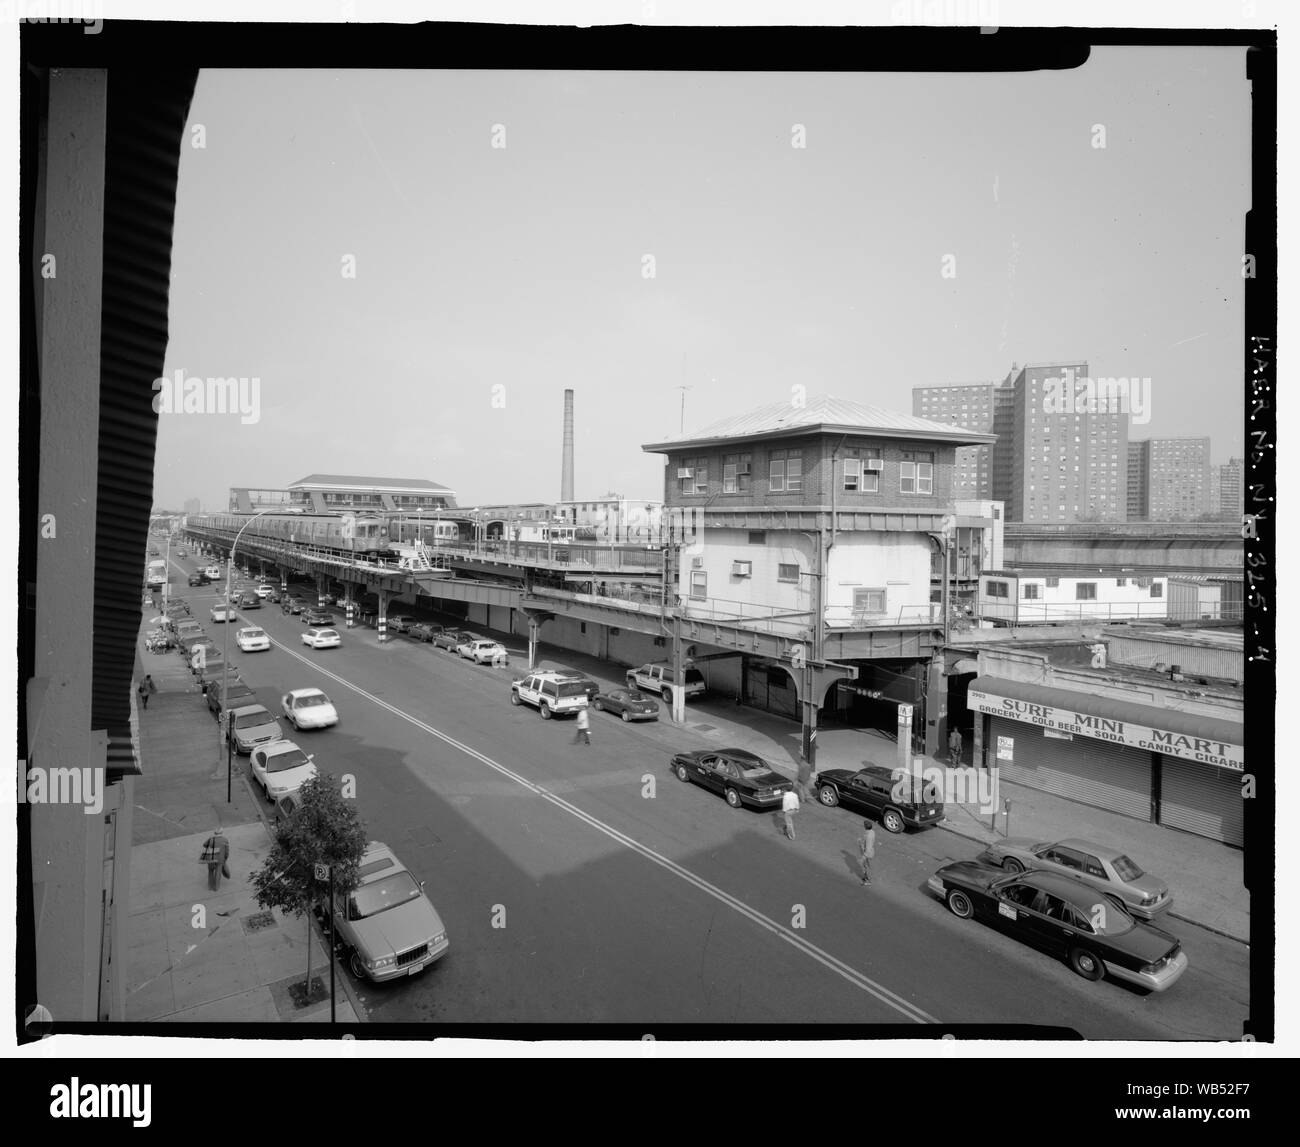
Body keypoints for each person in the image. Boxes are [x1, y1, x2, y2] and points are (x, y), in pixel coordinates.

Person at [201, 826, 231, 891]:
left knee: (211, 871)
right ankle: (216, 887)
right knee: (218, 873)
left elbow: (204, 844)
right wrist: (225, 858)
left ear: (215, 832)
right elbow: (227, 852)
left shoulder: (211, 839)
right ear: (222, 832)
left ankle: (210, 886)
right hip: (220, 859)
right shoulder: (225, 840)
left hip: (211, 858)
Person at [859, 820, 877, 885]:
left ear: (865, 826)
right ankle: (865, 877)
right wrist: (861, 841)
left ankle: (868, 881)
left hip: (867, 854)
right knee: (865, 866)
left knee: (867, 867)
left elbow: (868, 848)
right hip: (867, 852)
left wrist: (863, 857)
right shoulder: (871, 832)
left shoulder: (869, 836)